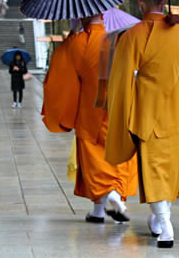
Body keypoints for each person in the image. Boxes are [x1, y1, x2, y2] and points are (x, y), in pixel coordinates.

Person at [105, 0, 179, 248]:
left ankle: (165, 224)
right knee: (168, 170)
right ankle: (160, 219)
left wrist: (120, 111)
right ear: (165, 0)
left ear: (140, 3)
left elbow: (121, 80)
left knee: (157, 170)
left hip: (149, 114)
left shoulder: (133, 35)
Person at [41, 13, 137, 224]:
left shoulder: (79, 42)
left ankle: (111, 196)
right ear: (103, 14)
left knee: (95, 161)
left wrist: (70, 38)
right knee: (117, 158)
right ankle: (99, 211)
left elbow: (60, 72)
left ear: (82, 16)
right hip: (119, 108)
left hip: (91, 111)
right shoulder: (120, 39)